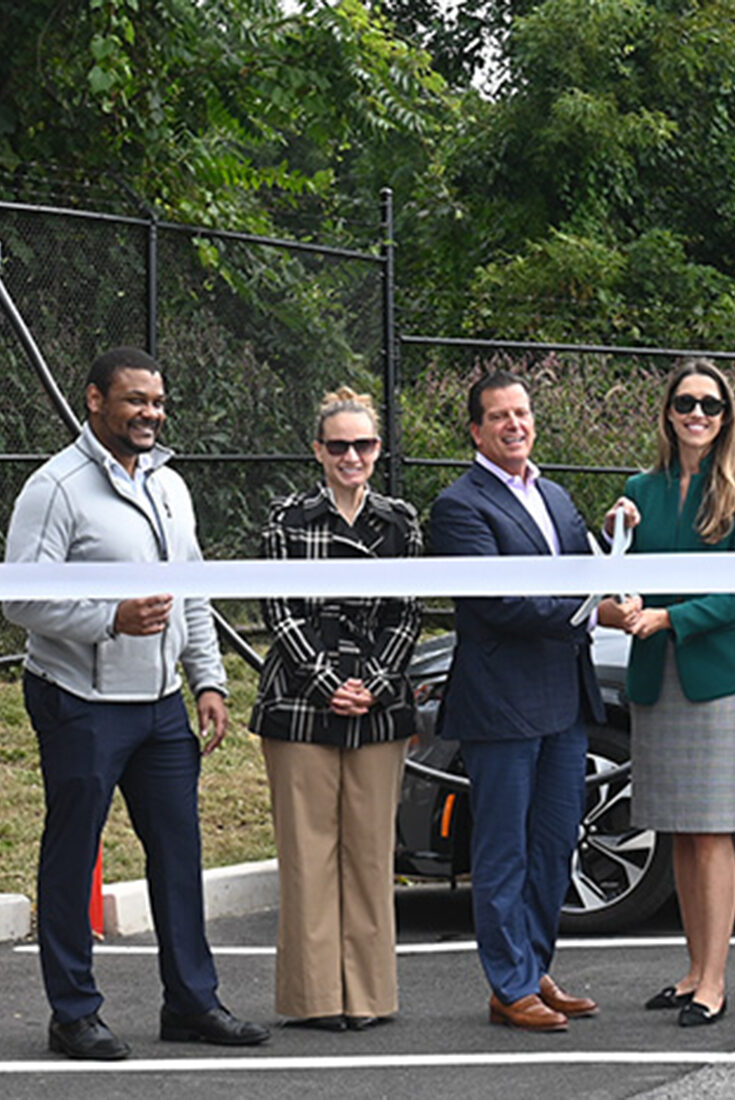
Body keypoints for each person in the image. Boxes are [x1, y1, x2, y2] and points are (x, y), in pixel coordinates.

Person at [3, 347, 270, 1060]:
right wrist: (107, 618)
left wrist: (207, 679)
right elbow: (19, 596)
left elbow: (192, 589)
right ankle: (73, 1014)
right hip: (77, 700)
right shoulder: (54, 489)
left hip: (160, 706)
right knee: (72, 853)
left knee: (179, 855)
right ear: (95, 401)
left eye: (156, 399)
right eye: (134, 400)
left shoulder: (171, 487)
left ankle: (191, 1002)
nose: (150, 412)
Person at [429, 370, 636, 1032]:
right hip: (503, 704)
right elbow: (502, 603)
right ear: (476, 430)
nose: (514, 425)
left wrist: (612, 537)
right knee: (503, 851)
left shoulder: (555, 494)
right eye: (499, 417)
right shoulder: (459, 506)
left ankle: (532, 968)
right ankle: (509, 984)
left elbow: (582, 569)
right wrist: (593, 614)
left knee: (553, 846)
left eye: (522, 413)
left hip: (565, 701)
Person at [249, 387, 422, 1032]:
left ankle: (370, 996)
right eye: (340, 445)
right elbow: (277, 608)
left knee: (372, 853)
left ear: (378, 450)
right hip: (298, 703)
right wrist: (327, 683)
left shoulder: (402, 520)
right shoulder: (286, 518)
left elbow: (410, 609)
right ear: (318, 450)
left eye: (364, 444)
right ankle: (316, 997)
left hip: (380, 706)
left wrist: (375, 682)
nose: (352, 455)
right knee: (308, 852)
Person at [605, 358, 735, 1027]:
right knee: (678, 830)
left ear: (726, 416)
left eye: (710, 404)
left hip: (717, 675)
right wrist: (620, 592)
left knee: (711, 835)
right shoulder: (638, 489)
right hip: (657, 674)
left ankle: (715, 980)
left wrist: (670, 618)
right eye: (685, 403)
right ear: (668, 413)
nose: (697, 414)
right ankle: (692, 968)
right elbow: (621, 584)